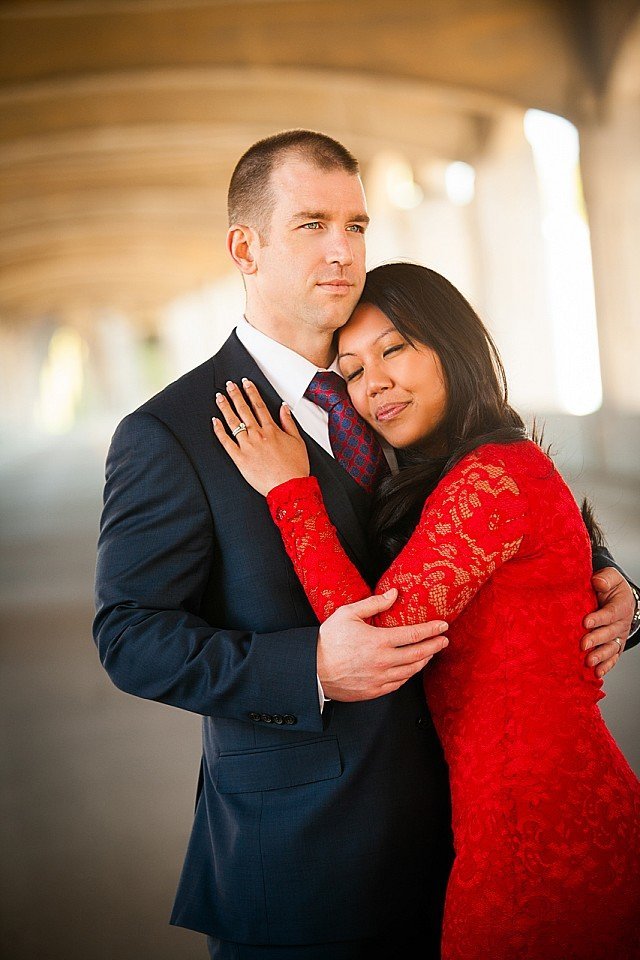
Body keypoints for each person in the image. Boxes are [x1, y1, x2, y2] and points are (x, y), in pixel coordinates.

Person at [93, 130, 639, 960]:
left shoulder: (401, 394)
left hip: (471, 838)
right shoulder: (170, 433)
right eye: (312, 224)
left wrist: (610, 580)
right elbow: (129, 634)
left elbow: (503, 517)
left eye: (356, 225)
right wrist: (309, 667)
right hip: (307, 858)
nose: (342, 250)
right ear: (246, 246)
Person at [212, 260, 640, 960]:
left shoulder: (493, 475)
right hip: (503, 823)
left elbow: (376, 638)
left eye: (393, 349)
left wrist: (290, 492)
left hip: (543, 833)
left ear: (452, 344)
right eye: (349, 370)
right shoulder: (463, 473)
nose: (371, 383)